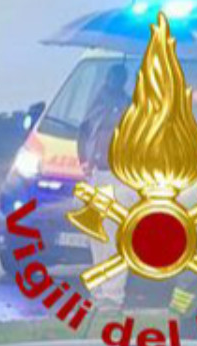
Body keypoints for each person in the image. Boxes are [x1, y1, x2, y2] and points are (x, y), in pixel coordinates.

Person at [79, 65, 131, 307]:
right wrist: (84, 162)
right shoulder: (97, 103)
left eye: (118, 77)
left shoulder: (128, 106)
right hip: (97, 174)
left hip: (119, 176)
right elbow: (84, 132)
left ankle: (113, 294)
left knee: (115, 237)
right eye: (111, 76)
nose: (113, 81)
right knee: (96, 235)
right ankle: (99, 291)